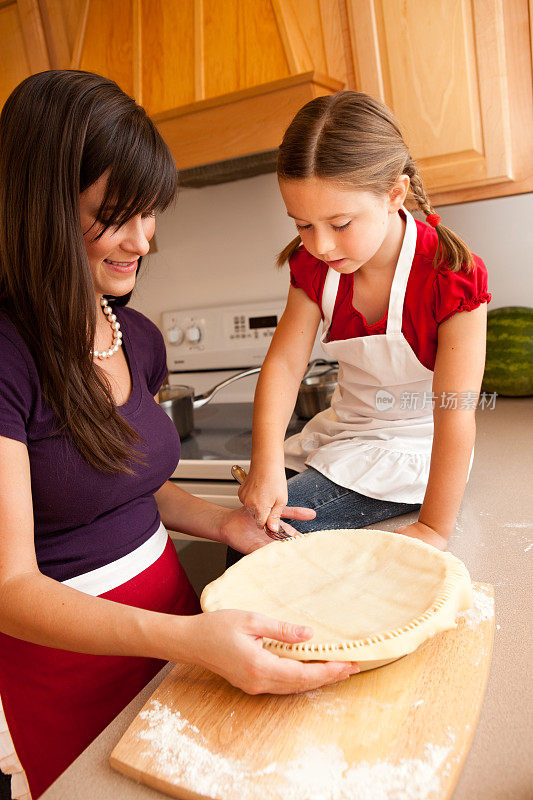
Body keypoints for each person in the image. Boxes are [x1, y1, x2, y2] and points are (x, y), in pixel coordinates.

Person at [0, 71, 360, 800]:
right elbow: (10, 587)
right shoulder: (8, 355)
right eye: (116, 214)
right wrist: (185, 639)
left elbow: (131, 488)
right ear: (41, 205)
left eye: (151, 213)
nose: (144, 240)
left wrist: (222, 522)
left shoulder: (134, 334)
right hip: (69, 662)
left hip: (177, 625)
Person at [230, 91, 490, 567]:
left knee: (261, 543)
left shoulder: (451, 276)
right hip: (347, 435)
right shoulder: (313, 268)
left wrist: (434, 527)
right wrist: (265, 461)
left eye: (340, 223)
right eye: (304, 225)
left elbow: (455, 411)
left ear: (395, 194)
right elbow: (286, 366)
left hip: (417, 448)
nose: (322, 245)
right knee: (252, 523)